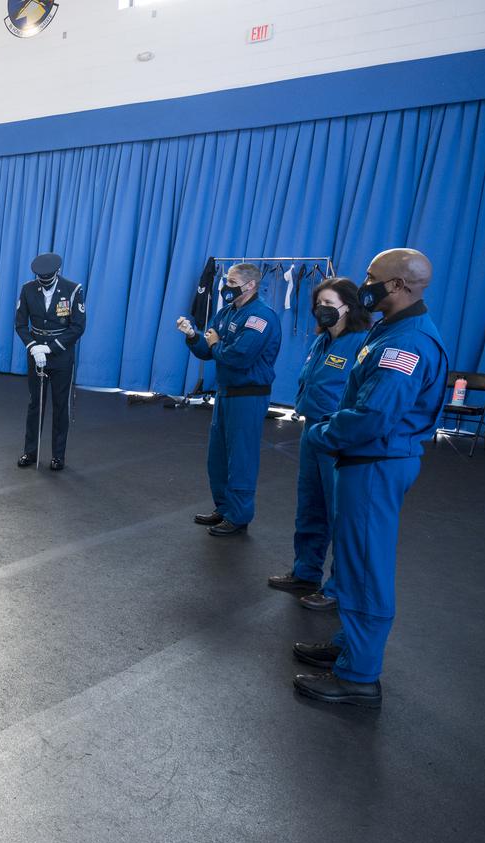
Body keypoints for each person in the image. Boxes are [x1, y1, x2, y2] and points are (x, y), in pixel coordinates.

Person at [292, 249, 447, 708]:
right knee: (357, 562)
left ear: (400, 286)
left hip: (374, 462)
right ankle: (350, 645)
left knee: (364, 567)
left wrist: (322, 432)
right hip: (368, 461)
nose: (365, 283)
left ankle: (359, 676)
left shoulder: (405, 345)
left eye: (372, 277)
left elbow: (371, 416)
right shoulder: (391, 329)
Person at [267, 278, 370, 610]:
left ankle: (338, 588)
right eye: (318, 305)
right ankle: (305, 571)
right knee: (310, 505)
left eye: (329, 304)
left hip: (337, 435)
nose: (321, 311)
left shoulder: (361, 343)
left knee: (339, 512)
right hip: (312, 429)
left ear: (349, 307)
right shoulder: (322, 342)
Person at [176, 262, 281, 536]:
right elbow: (208, 350)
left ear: (250, 286)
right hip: (225, 394)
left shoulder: (260, 317)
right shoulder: (226, 312)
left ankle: (239, 515)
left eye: (232, 282)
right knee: (219, 457)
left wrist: (214, 343)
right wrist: (192, 336)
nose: (226, 287)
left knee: (241, 458)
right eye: (226, 281)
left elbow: (238, 357)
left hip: (248, 396)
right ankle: (223, 507)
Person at [14, 252, 87, 470]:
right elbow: (20, 324)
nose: (44, 282)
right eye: (40, 278)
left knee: (60, 405)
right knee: (35, 404)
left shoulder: (73, 289)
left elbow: (78, 326)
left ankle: (58, 455)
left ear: (57, 272)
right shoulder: (28, 289)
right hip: (36, 354)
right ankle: (30, 452)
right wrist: (33, 346)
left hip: (61, 356)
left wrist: (52, 347)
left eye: (48, 278)